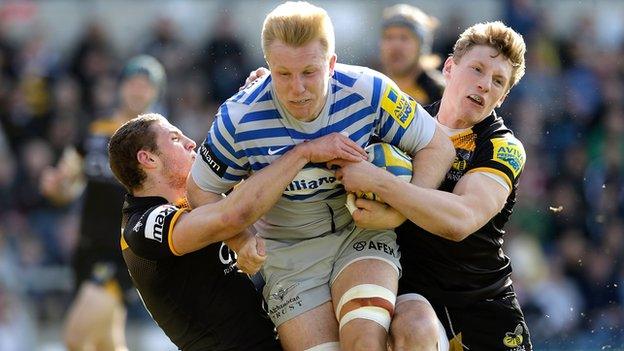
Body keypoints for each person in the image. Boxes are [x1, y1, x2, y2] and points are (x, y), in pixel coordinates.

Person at [188, 2, 455, 350]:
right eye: (283, 74)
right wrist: (240, 240)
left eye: (309, 72)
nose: (297, 88)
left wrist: (406, 206)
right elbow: (199, 190)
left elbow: (438, 146)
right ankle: (416, 324)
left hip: (358, 233)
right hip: (286, 252)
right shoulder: (238, 118)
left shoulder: (369, 90)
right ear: (268, 66)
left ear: (331, 64)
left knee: (364, 341)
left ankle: (418, 326)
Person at [333, 21, 533, 351]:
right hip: (416, 296)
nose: (484, 85)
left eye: (498, 81)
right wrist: (266, 87)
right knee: (413, 325)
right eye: (477, 70)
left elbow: (459, 221)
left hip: (482, 305)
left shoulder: (503, 147)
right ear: (450, 68)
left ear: (504, 95)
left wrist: (380, 184)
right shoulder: (407, 128)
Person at [108, 113, 366, 350]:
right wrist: (304, 153)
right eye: (175, 138)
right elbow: (230, 216)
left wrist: (259, 101)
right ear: (148, 159)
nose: (191, 143)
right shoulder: (143, 225)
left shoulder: (192, 201)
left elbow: (253, 189)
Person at [40, 55, 165, 350]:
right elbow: (67, 186)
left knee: (76, 338)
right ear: (120, 86)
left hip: (124, 253)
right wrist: (56, 185)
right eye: (132, 83)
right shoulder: (96, 131)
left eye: (145, 85)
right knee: (106, 343)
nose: (137, 90)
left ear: (156, 92)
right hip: (87, 249)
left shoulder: (160, 141)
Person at [379, 4, 445, 105]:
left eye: (404, 38)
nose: (395, 45)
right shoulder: (375, 88)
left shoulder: (441, 93)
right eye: (389, 37)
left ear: (421, 47)